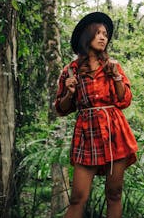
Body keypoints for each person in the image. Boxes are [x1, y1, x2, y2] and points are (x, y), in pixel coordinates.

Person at [54, 12, 138, 218]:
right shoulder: (70, 71)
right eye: (98, 33)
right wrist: (69, 93)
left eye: (105, 34)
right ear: (87, 36)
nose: (103, 37)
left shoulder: (113, 66)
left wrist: (116, 77)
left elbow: (124, 101)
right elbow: (61, 109)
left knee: (114, 194)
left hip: (114, 133)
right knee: (77, 198)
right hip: (86, 135)